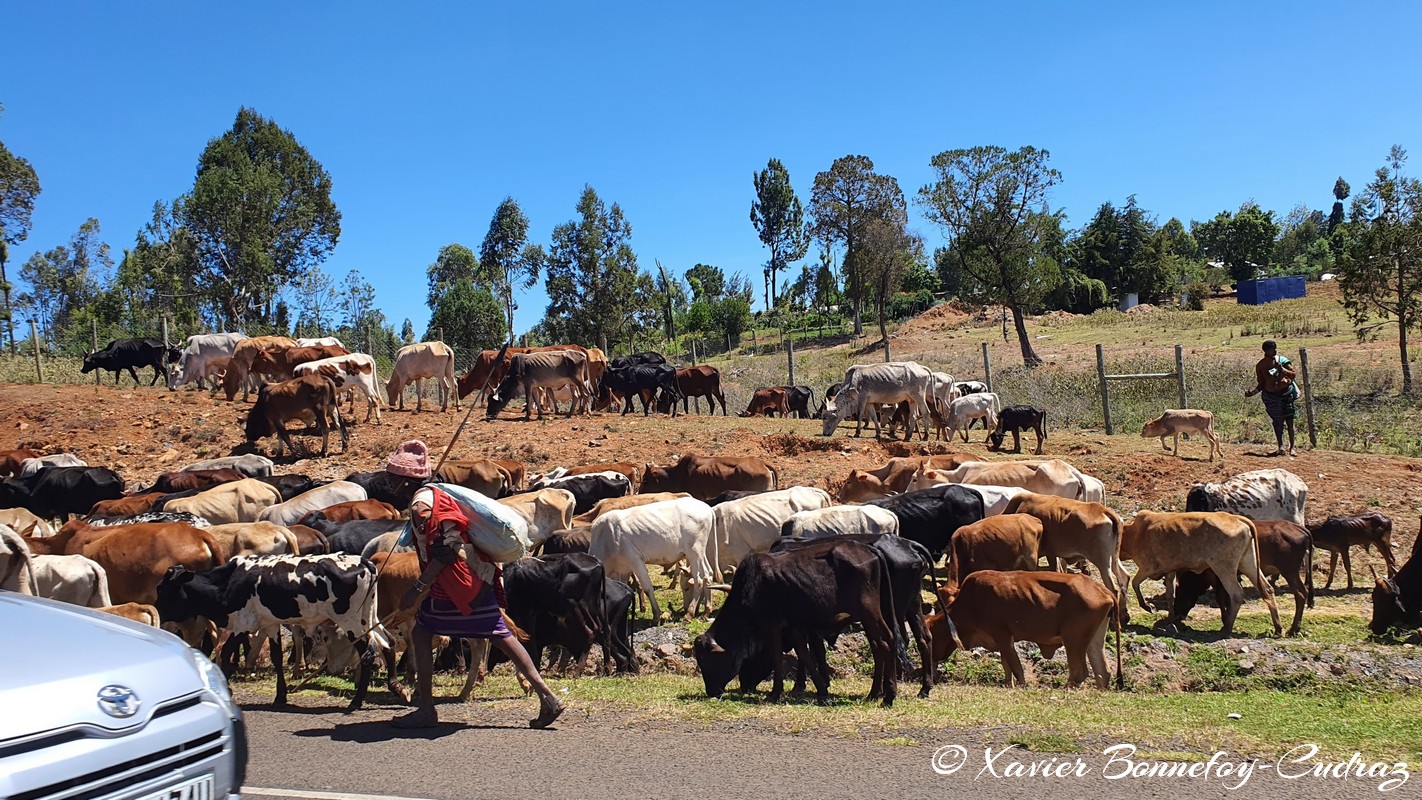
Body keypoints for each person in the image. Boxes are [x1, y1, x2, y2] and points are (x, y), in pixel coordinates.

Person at [388, 444, 564, 729]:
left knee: (430, 632)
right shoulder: (433, 494)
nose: (388, 483)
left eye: (392, 477)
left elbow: (445, 551)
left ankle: (426, 711)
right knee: (495, 633)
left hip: (457, 581)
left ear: (406, 481)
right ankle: (548, 697)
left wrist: (417, 588)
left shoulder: (422, 506)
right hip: (471, 575)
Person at [1245, 340, 1299, 457]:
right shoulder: (1261, 366)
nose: (1275, 351)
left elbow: (1293, 374)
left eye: (1275, 349)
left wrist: (1282, 370)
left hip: (1286, 394)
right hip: (1272, 397)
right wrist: (1252, 393)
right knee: (1277, 422)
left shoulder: (1283, 361)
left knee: (1290, 421)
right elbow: (1262, 383)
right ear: (1266, 351)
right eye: (1272, 349)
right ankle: (1281, 446)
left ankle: (1292, 447)